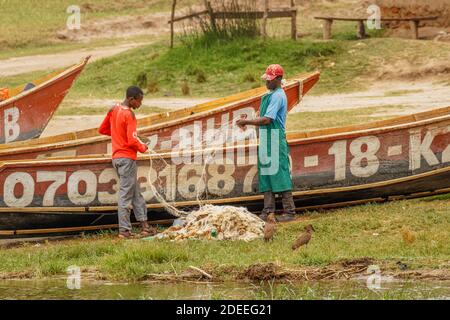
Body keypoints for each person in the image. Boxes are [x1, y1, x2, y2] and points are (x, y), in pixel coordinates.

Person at [236, 64, 296, 222]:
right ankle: (268, 210)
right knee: (266, 173)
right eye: (266, 80)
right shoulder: (270, 94)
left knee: (280, 174)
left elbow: (268, 119)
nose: (266, 83)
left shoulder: (278, 96)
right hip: (266, 139)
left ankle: (289, 212)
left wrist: (246, 121)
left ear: (278, 79)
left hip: (275, 137)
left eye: (269, 80)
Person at [99, 86, 155, 238]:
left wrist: (119, 133)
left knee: (136, 193)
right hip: (127, 159)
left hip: (116, 158)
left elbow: (103, 129)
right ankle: (124, 230)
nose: (140, 105)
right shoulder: (129, 114)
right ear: (131, 99)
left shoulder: (114, 109)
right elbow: (131, 140)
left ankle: (145, 226)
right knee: (125, 196)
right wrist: (143, 147)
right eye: (139, 101)